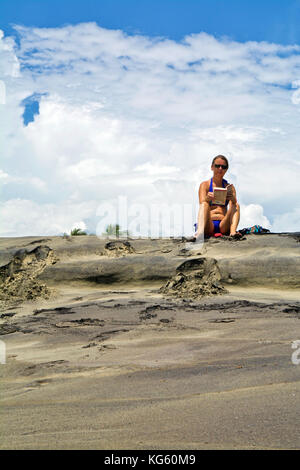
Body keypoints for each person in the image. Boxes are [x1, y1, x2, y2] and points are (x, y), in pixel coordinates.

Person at [194, 155, 240, 239]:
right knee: (204, 204)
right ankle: (199, 233)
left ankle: (233, 232)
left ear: (226, 169)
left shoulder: (229, 187)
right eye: (217, 166)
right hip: (209, 223)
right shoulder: (205, 185)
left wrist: (232, 199)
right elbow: (202, 204)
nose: (220, 169)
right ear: (212, 167)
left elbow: (233, 206)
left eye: (223, 167)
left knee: (236, 205)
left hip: (223, 224)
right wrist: (207, 199)